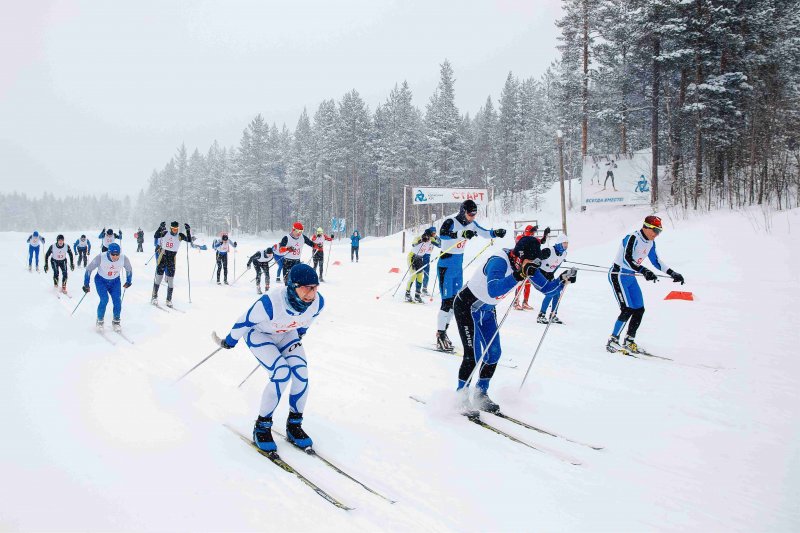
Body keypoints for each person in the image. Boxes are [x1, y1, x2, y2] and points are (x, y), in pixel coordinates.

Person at [454, 236, 575, 414]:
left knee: (494, 353)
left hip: (487, 310)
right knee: (473, 355)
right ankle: (461, 398)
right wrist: (518, 275)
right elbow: (493, 289)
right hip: (467, 306)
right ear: (519, 256)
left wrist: (562, 279)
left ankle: (481, 394)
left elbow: (547, 289)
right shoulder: (499, 262)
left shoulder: (526, 264)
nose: (533, 265)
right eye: (529, 261)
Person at [218, 264, 324, 452]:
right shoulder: (271, 303)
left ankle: (294, 426)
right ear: (292, 286)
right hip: (259, 334)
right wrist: (229, 341)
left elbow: (308, 320)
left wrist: (300, 333)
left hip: (286, 334)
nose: (311, 293)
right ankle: (262, 427)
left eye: (314, 287)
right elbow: (244, 321)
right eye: (306, 288)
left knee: (301, 374)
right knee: (281, 373)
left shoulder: (318, 302)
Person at [607, 215, 685, 353]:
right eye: (655, 231)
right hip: (618, 275)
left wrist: (672, 273)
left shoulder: (650, 242)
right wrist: (643, 270)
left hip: (630, 276)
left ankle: (629, 340)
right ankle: (613, 341)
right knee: (627, 309)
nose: (657, 234)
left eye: (659, 231)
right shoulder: (632, 237)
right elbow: (627, 259)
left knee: (639, 309)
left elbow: (656, 261)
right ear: (646, 227)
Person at [436, 199, 506, 352]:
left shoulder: (472, 224)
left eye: (474, 214)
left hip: (457, 267)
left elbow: (484, 232)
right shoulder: (451, 221)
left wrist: (496, 233)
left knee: (455, 303)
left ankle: (444, 332)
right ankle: (440, 334)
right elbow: (443, 235)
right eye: (470, 214)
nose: (472, 217)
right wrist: (462, 233)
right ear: (463, 211)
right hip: (446, 266)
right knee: (446, 302)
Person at [83, 242, 132, 332]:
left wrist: (129, 281)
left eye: (117, 254)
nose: (115, 257)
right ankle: (100, 321)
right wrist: (86, 284)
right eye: (113, 254)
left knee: (117, 301)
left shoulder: (123, 258)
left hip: (115, 282)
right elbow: (89, 269)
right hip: (101, 281)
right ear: (109, 252)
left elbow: (129, 269)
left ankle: (116, 321)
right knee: (104, 299)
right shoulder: (101, 257)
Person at [152, 221, 192, 306]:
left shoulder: (180, 236)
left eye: (176, 229)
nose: (175, 231)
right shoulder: (165, 233)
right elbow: (156, 236)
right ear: (170, 228)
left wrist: (188, 230)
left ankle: (168, 300)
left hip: (171, 259)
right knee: (159, 278)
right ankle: (154, 297)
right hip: (163, 257)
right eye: (173, 229)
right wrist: (160, 227)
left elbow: (189, 240)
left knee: (170, 280)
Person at [513, 225, 550, 310]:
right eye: (531, 232)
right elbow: (519, 246)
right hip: (520, 263)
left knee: (528, 284)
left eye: (533, 233)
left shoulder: (533, 239)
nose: (532, 234)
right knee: (520, 283)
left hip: (530, 263)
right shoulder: (520, 237)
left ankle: (525, 302)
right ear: (527, 231)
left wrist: (545, 235)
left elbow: (541, 241)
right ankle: (516, 302)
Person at [537, 234, 569, 324]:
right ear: (559, 243)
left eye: (567, 243)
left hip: (550, 273)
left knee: (557, 293)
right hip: (540, 272)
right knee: (550, 293)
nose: (566, 245)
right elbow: (536, 258)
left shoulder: (564, 254)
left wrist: (552, 273)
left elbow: (557, 265)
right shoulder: (548, 251)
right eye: (564, 243)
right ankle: (541, 315)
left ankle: (553, 315)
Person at [405, 229, 435, 303]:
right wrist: (421, 240)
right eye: (427, 236)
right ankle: (407, 294)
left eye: (429, 237)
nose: (428, 238)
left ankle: (417, 295)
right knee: (413, 275)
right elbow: (413, 244)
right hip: (412, 257)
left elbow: (439, 244)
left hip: (419, 259)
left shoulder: (431, 239)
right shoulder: (419, 237)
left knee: (420, 276)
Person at [421, 227, 441, 295]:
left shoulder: (432, 237)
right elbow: (439, 245)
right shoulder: (429, 237)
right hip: (423, 256)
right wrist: (436, 238)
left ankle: (424, 288)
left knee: (426, 273)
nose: (434, 234)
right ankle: (420, 289)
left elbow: (440, 244)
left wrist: (436, 237)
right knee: (422, 273)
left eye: (435, 233)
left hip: (427, 256)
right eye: (433, 233)